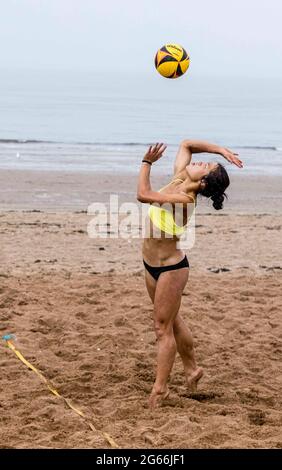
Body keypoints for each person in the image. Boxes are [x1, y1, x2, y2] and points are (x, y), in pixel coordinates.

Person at [137, 140, 243, 409]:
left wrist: (146, 162)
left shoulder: (185, 199)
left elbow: (143, 194)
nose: (199, 162)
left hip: (171, 268)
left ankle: (160, 390)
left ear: (203, 183)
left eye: (205, 166)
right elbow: (187, 144)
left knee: (162, 329)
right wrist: (220, 151)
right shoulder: (180, 177)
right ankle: (193, 369)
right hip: (151, 263)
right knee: (171, 321)